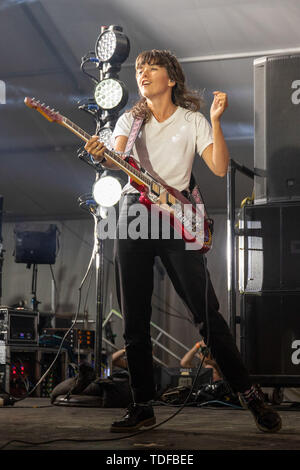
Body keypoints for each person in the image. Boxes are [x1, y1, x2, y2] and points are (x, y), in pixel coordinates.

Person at [85, 49, 281, 433]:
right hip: (134, 215)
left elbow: (220, 167)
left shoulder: (192, 120)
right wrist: (103, 155)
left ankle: (250, 394)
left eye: (152, 68)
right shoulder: (131, 118)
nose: (143, 74)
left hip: (177, 219)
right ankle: (143, 404)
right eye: (139, 69)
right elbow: (118, 157)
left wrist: (215, 121)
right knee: (135, 321)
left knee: (206, 315)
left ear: (171, 78)